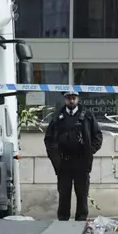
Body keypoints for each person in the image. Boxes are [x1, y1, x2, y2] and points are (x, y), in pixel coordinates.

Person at [44, 90, 103, 221]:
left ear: (77, 99)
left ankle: (81, 219)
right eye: (69, 98)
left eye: (74, 98)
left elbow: (97, 136)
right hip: (64, 162)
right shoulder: (58, 116)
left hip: (81, 161)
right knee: (64, 193)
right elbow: (49, 139)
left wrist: (90, 150)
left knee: (82, 193)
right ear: (65, 99)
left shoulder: (87, 116)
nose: (71, 100)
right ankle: (63, 219)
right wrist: (54, 155)